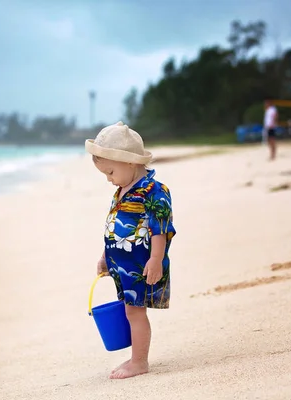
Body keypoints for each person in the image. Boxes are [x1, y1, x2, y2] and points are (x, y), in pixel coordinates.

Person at [85, 121, 176, 380]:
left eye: (111, 172)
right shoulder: (122, 190)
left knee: (135, 312)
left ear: (130, 162)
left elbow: (161, 227)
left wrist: (156, 259)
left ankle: (139, 362)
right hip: (122, 265)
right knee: (128, 309)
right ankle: (136, 356)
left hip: (141, 265)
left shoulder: (153, 191)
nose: (109, 180)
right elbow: (114, 226)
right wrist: (105, 256)